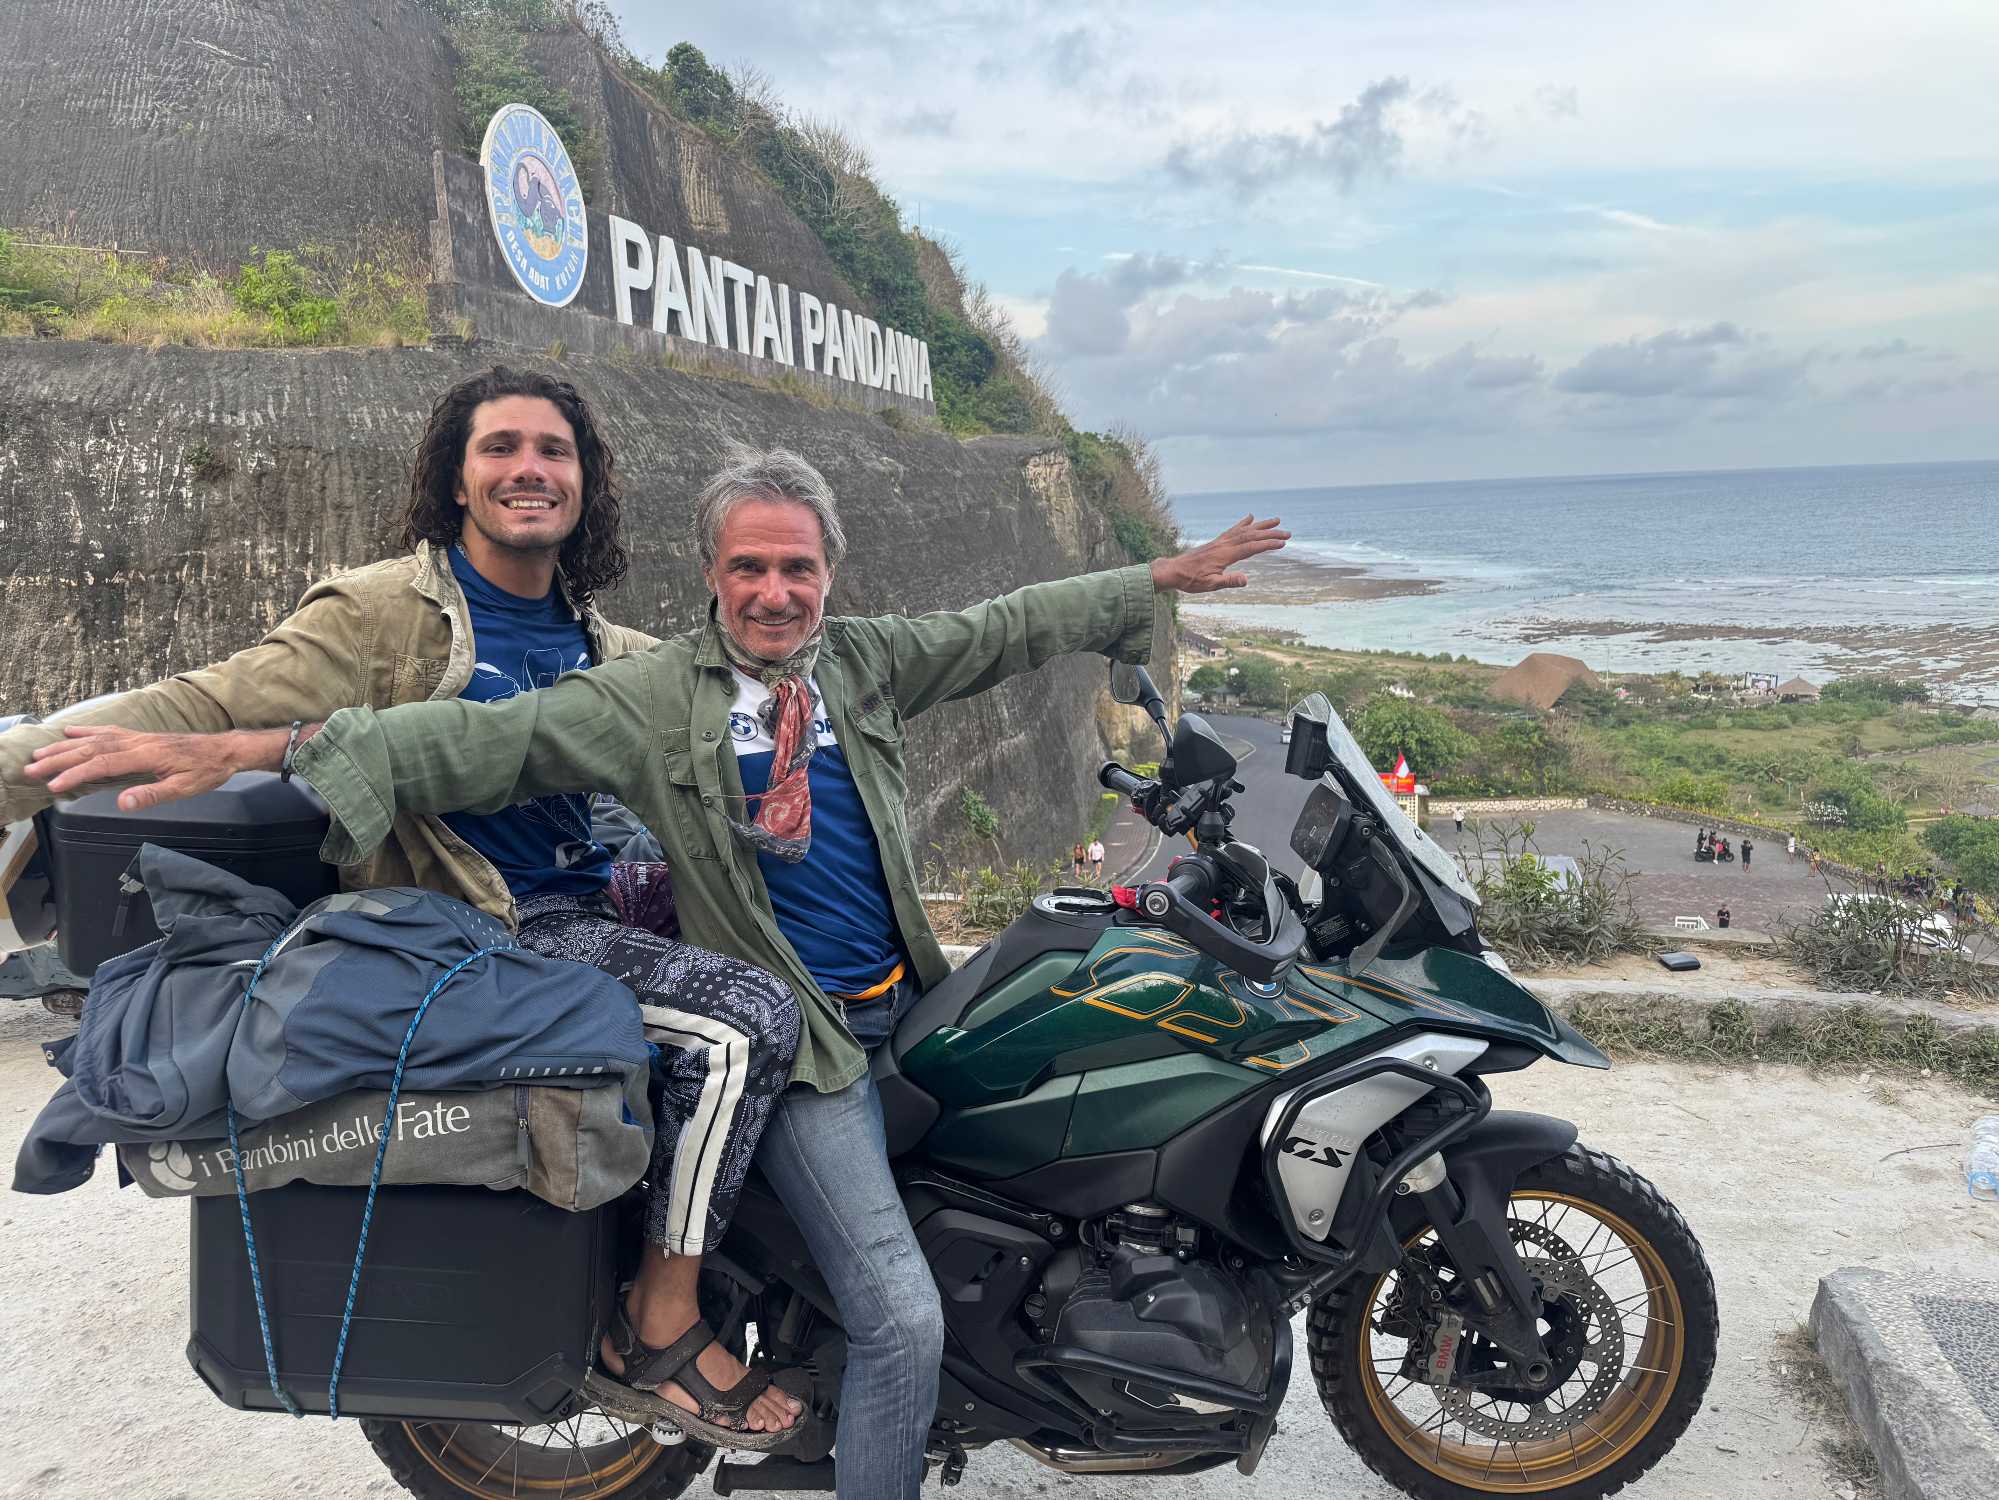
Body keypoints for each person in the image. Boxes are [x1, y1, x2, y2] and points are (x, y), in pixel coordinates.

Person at [32, 448, 1287, 1499]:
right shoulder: (648, 698)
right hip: (807, 1049)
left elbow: (1002, 628)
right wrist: (252, 747)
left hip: (906, 1002)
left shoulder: (858, 665)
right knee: (902, 1319)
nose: (774, 593)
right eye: (749, 567)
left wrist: (1150, 580)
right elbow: (473, 738)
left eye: (796, 568)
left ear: (829, 575)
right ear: (711, 575)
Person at [12, 368, 807, 1442]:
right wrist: (21, 770)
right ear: (456, 478)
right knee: (744, 1023)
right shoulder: (383, 615)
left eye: (554, 450)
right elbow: (202, 704)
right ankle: (658, 1320)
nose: (529, 469)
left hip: (594, 896)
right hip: (487, 927)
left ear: (585, 481)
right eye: (500, 448)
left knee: (801, 950)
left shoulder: (597, 642)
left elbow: (730, 696)